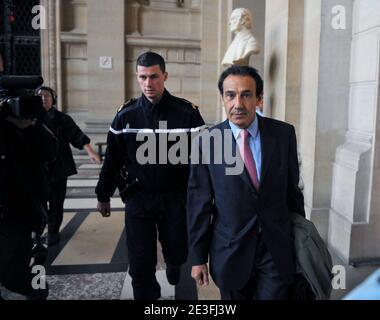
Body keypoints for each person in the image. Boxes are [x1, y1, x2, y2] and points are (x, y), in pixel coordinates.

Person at [187, 65, 305, 300]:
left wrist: (299, 240)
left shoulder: (283, 135)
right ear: (223, 98)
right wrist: (198, 258)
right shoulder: (207, 143)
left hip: (275, 249)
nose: (238, 103)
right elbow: (199, 205)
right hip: (230, 251)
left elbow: (293, 193)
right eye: (230, 95)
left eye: (246, 95)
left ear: (259, 99)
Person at [96, 51, 205, 300]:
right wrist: (103, 195)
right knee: (140, 263)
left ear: (165, 76)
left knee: (178, 250)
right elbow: (111, 161)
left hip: (176, 199)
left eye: (154, 76)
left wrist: (205, 198)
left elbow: (204, 161)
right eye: (143, 77)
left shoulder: (187, 114)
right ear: (137, 78)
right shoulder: (126, 116)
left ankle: (174, 263)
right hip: (138, 198)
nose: (148, 83)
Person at [0, 99, 57, 300]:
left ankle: (38, 291)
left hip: (17, 209)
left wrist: (29, 126)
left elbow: (50, 151)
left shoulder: (28, 123)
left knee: (17, 269)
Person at [35, 86, 101, 245]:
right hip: (37, 169)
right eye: (40, 96)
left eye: (47, 96)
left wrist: (91, 152)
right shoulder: (30, 118)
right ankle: (37, 230)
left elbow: (77, 135)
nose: (44, 98)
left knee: (57, 201)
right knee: (38, 201)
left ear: (53, 99)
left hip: (58, 166)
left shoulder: (62, 118)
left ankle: (52, 231)